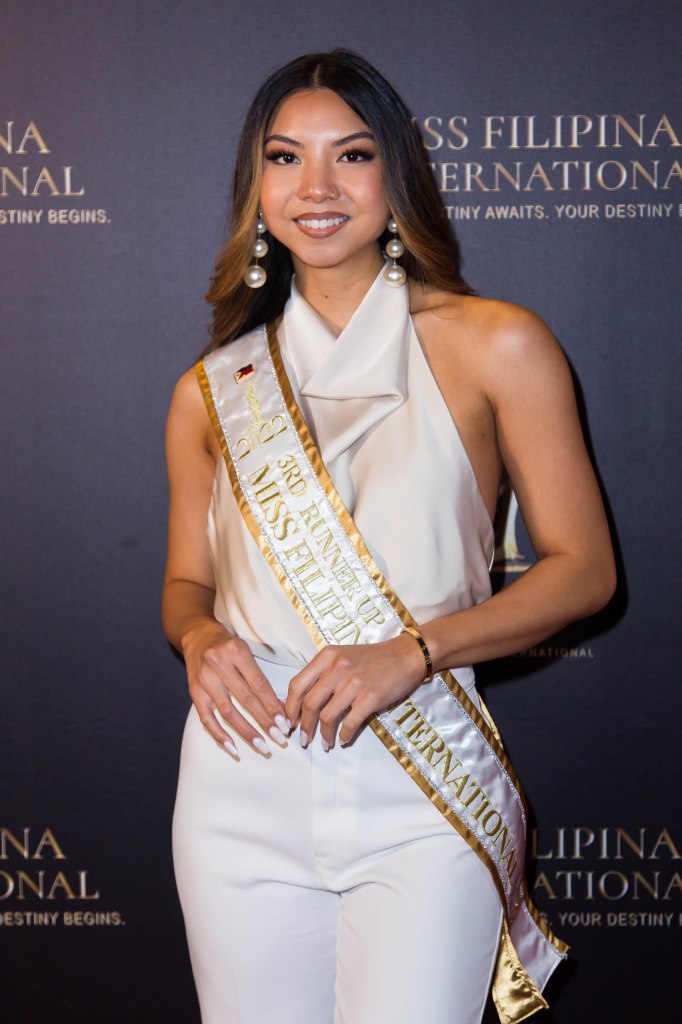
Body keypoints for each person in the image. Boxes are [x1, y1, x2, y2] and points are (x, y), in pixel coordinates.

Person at [162, 49, 615, 1024]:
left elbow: (584, 572)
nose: (316, 187)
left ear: (396, 176)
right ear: (256, 187)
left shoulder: (498, 343)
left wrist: (415, 650)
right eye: (285, 157)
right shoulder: (213, 389)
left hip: (419, 774)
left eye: (353, 155)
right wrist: (198, 638)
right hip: (241, 780)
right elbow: (185, 584)